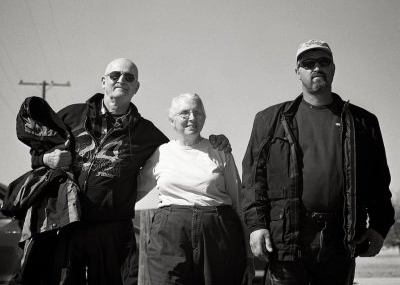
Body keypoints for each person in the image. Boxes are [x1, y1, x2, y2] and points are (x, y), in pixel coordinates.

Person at [30, 59, 232, 285]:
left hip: (112, 230)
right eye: (115, 75)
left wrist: (217, 142)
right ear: (103, 81)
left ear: (137, 87)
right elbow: (37, 154)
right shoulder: (70, 116)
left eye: (129, 77)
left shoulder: (148, 135)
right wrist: (46, 158)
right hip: (67, 224)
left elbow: (183, 149)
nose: (121, 81)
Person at [241, 39, 395, 285]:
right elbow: (253, 179)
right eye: (308, 63)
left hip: (340, 237)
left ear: (333, 68)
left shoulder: (363, 123)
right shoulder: (269, 120)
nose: (316, 68)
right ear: (297, 72)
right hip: (288, 236)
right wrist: (257, 225)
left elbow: (378, 181)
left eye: (323, 62)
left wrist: (379, 226)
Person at [137, 93, 254, 285]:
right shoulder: (161, 153)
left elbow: (239, 202)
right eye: (184, 113)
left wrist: (249, 254)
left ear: (204, 118)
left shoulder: (220, 151)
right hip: (170, 233)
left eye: (197, 113)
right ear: (171, 120)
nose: (192, 118)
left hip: (217, 232)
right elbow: (134, 191)